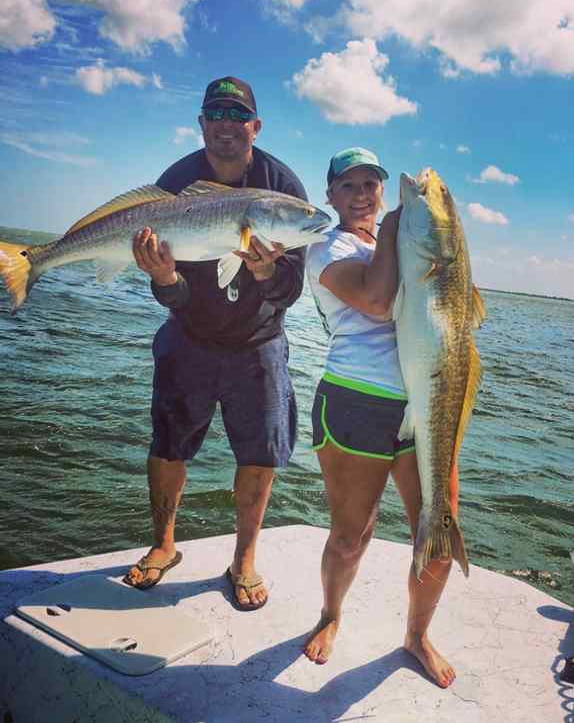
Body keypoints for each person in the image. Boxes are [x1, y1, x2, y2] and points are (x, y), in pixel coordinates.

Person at [123, 76, 305, 611]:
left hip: (259, 343)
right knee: (167, 445)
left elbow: (291, 287)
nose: (226, 123)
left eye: (237, 114)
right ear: (202, 123)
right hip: (191, 337)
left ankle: (244, 558)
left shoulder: (282, 188)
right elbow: (174, 295)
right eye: (216, 113)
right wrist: (163, 279)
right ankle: (164, 544)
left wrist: (268, 273)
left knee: (260, 454)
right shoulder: (176, 182)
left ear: (256, 125)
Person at [303, 147, 456, 687]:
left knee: (439, 525)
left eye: (372, 184)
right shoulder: (326, 247)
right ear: (330, 196)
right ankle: (330, 614)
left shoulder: (402, 240)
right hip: (355, 400)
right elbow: (374, 298)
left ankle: (416, 635)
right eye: (350, 185)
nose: (364, 194)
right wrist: (395, 227)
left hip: (423, 401)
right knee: (352, 535)